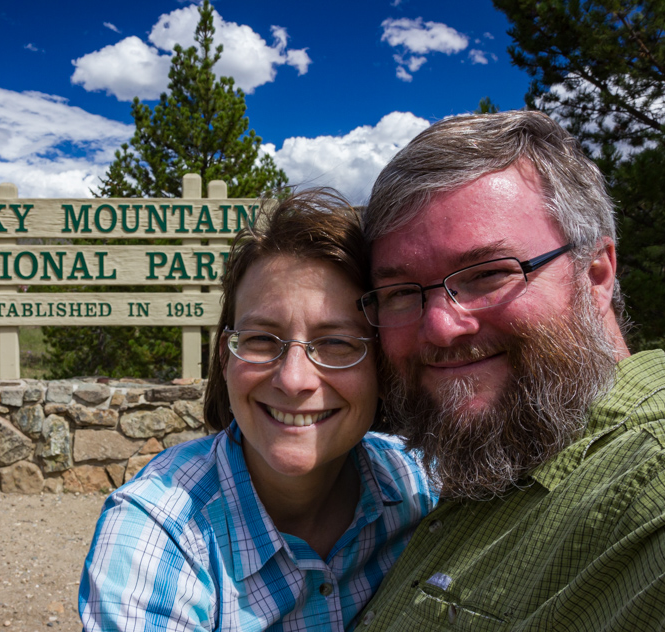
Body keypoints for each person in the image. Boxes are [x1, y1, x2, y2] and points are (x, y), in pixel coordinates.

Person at [353, 110, 665, 631]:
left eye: (489, 274)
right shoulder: (496, 459)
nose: (441, 327)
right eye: (401, 293)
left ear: (596, 273)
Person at [79, 189, 435, 631]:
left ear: (381, 367)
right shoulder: (155, 538)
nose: (293, 379)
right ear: (226, 359)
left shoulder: (421, 490)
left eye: (337, 343)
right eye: (262, 339)